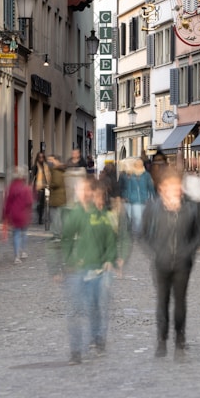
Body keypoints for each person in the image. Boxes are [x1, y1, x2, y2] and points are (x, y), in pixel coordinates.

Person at [141, 167, 200, 358]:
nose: (175, 190)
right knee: (162, 302)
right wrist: (155, 251)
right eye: (170, 186)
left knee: (180, 302)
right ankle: (161, 340)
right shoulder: (152, 208)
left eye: (177, 186)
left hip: (182, 263)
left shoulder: (191, 208)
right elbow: (143, 234)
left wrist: (190, 251)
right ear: (162, 188)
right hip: (161, 263)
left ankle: (180, 339)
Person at [61, 177, 118, 365]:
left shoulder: (100, 214)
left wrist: (109, 259)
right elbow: (66, 239)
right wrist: (68, 261)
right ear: (77, 193)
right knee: (76, 310)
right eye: (81, 190)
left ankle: (98, 339)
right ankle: (75, 351)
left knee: (94, 307)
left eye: (87, 190)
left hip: (97, 269)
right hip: (77, 270)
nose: (84, 193)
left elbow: (109, 238)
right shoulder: (73, 214)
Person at [3, 166, 33, 264]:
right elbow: (29, 202)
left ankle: (16, 256)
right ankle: (23, 251)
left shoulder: (11, 187)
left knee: (16, 234)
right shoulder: (25, 188)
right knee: (23, 233)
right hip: (23, 214)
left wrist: (6, 214)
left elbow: (8, 202)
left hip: (14, 214)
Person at [120, 157, 155, 236]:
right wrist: (127, 197)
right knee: (137, 218)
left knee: (142, 218)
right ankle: (136, 234)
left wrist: (154, 197)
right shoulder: (131, 175)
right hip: (134, 200)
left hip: (144, 199)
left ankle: (139, 233)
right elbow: (129, 187)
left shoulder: (146, 175)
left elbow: (150, 187)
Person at [46, 154, 66, 241]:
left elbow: (56, 183)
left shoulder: (56, 171)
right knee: (57, 217)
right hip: (58, 196)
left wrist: (49, 185)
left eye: (51, 160)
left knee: (56, 217)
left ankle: (57, 235)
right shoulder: (58, 170)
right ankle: (57, 234)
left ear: (56, 160)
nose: (49, 162)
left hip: (57, 197)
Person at [32, 152, 51, 225]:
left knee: (43, 203)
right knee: (39, 203)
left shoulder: (46, 166)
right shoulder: (36, 166)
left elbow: (49, 175)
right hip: (38, 186)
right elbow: (33, 176)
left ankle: (41, 216)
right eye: (39, 157)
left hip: (45, 186)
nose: (41, 159)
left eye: (42, 157)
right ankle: (40, 218)